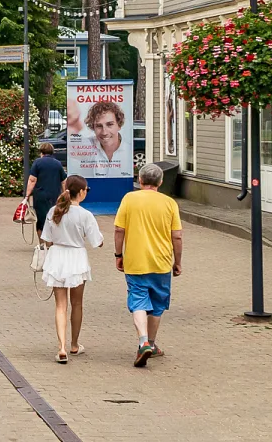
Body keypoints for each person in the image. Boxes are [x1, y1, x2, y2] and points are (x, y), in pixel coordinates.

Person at [114, 163, 182, 367]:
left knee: (138, 301)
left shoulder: (129, 199)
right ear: (161, 182)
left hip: (135, 261)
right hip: (161, 262)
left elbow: (119, 229)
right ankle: (151, 344)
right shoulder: (170, 203)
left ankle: (142, 341)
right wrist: (177, 262)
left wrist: (119, 254)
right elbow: (177, 236)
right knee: (157, 305)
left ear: (140, 181)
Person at [41, 176, 103, 362]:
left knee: (61, 305)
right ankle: (74, 344)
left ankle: (61, 347)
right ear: (82, 192)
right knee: (77, 303)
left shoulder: (54, 211)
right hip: (76, 258)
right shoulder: (85, 215)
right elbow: (96, 241)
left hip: (57, 257)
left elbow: (46, 238)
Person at [24, 141, 66, 234]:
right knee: (53, 218)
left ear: (41, 152)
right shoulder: (58, 164)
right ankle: (52, 243)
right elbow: (63, 182)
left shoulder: (37, 163)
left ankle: (42, 245)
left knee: (41, 220)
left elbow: (32, 180)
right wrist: (64, 195)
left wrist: (27, 195)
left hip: (40, 196)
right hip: (55, 195)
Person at [81, 101, 132, 171]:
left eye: (110, 124)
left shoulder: (129, 151)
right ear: (93, 128)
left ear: (119, 125)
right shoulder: (86, 147)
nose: (104, 132)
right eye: (99, 126)